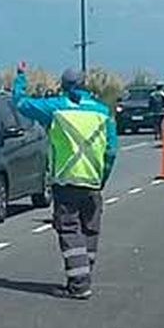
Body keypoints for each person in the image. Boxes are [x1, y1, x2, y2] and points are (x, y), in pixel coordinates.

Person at [12, 63, 119, 300]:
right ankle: (84, 274)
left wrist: (20, 77)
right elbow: (111, 151)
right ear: (85, 86)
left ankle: (79, 284)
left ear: (63, 86)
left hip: (66, 182)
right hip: (92, 182)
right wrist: (102, 178)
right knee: (90, 230)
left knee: (70, 230)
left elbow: (20, 103)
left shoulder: (56, 108)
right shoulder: (102, 112)